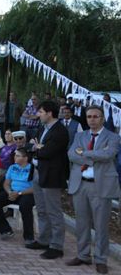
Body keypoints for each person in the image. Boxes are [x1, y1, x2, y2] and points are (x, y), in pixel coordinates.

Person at [66, 105, 120, 274]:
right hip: (80, 184)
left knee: (101, 225)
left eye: (96, 116)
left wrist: (85, 153)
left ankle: (101, 259)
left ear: (102, 118)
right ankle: (83, 255)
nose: (92, 119)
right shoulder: (80, 135)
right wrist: (94, 155)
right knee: (81, 223)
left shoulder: (113, 137)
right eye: (89, 116)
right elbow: (71, 155)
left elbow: (109, 155)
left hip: (101, 186)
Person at [26, 100, 69, 259]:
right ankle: (44, 240)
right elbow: (30, 147)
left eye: (41, 112)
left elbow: (47, 152)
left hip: (51, 175)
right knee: (42, 210)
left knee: (54, 211)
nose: (38, 115)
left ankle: (57, 246)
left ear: (50, 113)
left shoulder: (60, 131)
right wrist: (36, 148)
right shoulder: (42, 128)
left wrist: (37, 148)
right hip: (38, 172)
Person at [0, 148, 35, 245]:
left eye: (18, 155)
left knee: (25, 206)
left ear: (25, 158)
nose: (14, 157)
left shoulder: (32, 169)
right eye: (15, 155)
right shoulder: (12, 167)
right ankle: (6, 229)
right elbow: (6, 183)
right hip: (12, 192)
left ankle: (29, 237)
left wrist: (19, 193)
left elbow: (35, 188)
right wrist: (10, 192)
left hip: (26, 193)